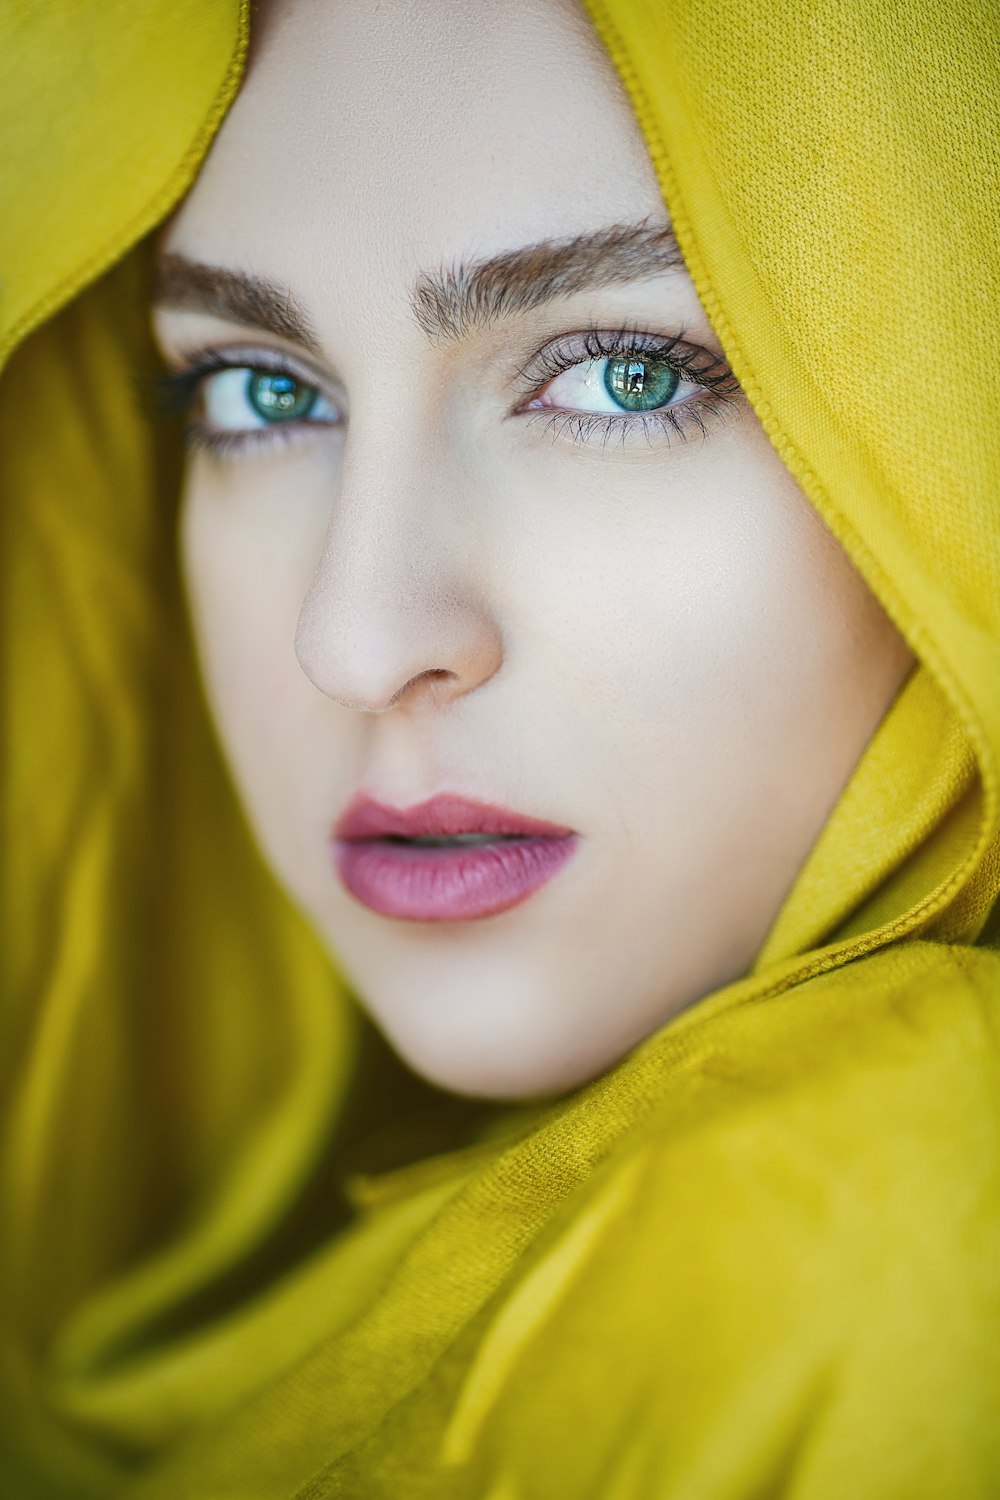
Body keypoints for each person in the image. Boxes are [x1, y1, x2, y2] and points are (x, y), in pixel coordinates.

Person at [1, 1, 997, 1496]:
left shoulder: (888, 1213)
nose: (355, 637)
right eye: (260, 390)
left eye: (622, 376)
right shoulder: (179, 1281)